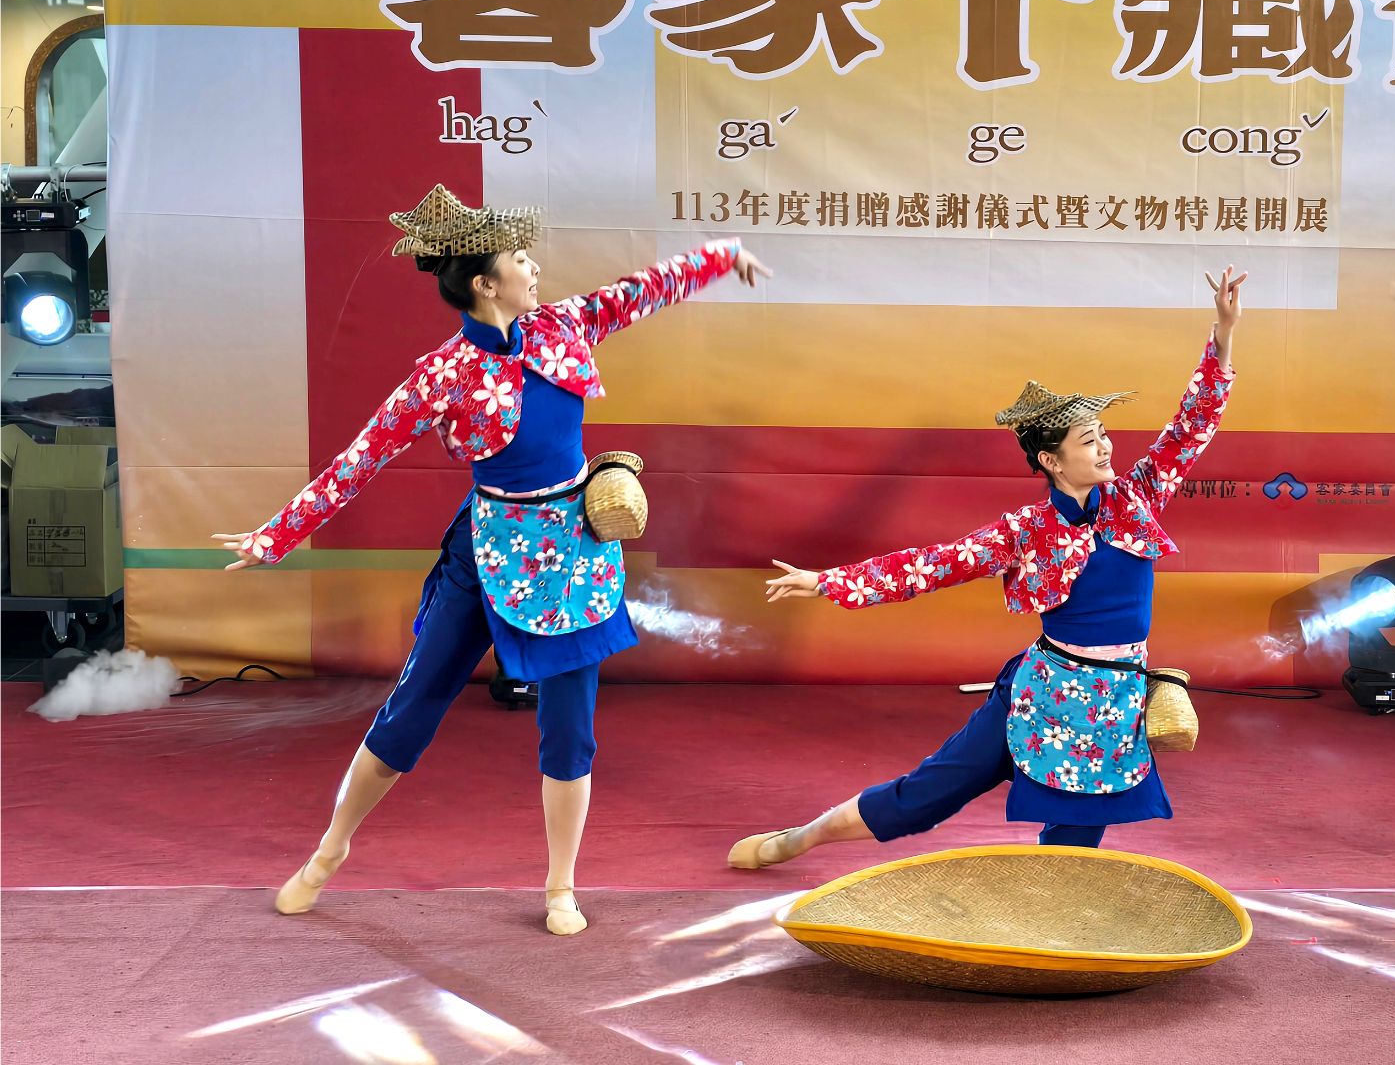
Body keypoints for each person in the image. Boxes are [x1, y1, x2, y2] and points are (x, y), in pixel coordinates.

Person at [214, 185, 767, 934]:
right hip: (486, 552)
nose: (534, 269)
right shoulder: (441, 374)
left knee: (570, 728)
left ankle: (561, 886)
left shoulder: (564, 325)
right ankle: (328, 850)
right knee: (412, 707)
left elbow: (644, 289)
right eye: (520, 259)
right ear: (486, 282)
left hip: (574, 554)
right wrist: (275, 536)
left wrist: (721, 256)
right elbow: (360, 459)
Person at [733, 267, 1247, 868]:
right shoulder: (1024, 531)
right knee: (921, 800)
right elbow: (929, 566)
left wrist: (1224, 333)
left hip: (1113, 704)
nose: (1106, 446)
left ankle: (1044, 906)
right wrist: (827, 582)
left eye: (1104, 433)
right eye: (1088, 440)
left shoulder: (1137, 496)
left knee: (1075, 844)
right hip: (1040, 693)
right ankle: (801, 837)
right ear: (1052, 460)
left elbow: (1192, 426)